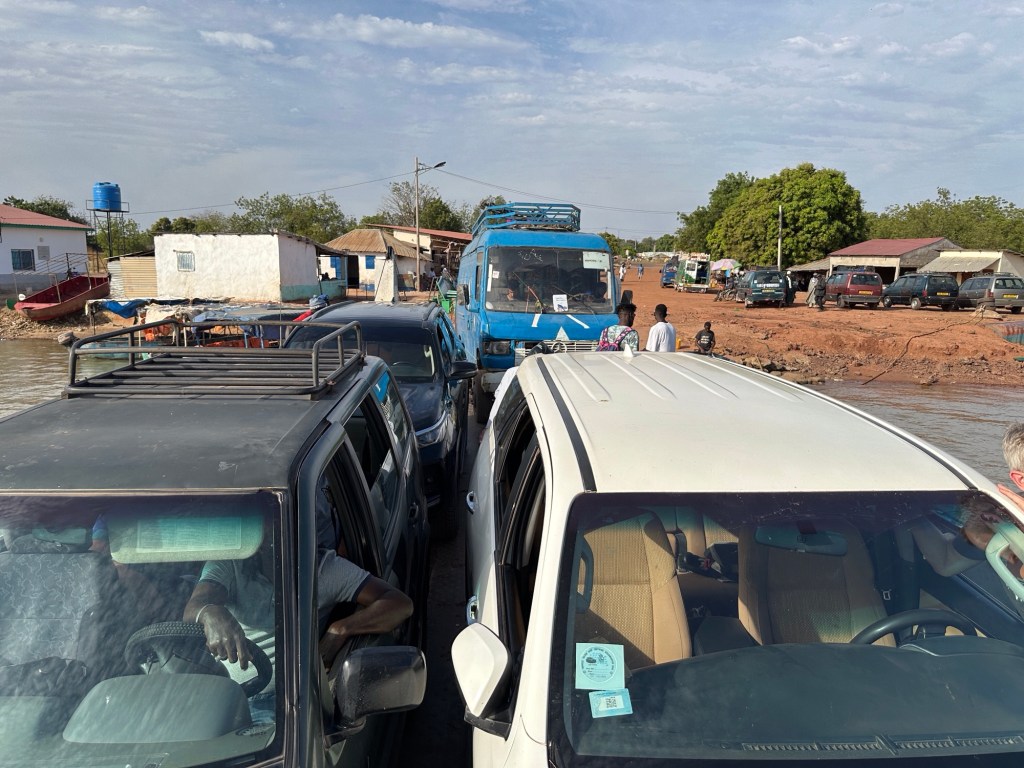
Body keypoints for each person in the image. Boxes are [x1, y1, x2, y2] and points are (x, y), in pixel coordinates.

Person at [184, 529, 413, 723]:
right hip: (223, 699)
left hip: (290, 706)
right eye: (265, 536)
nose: (273, 543)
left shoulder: (325, 568)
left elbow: (399, 605)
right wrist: (209, 612)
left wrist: (341, 629)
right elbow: (195, 606)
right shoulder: (230, 563)